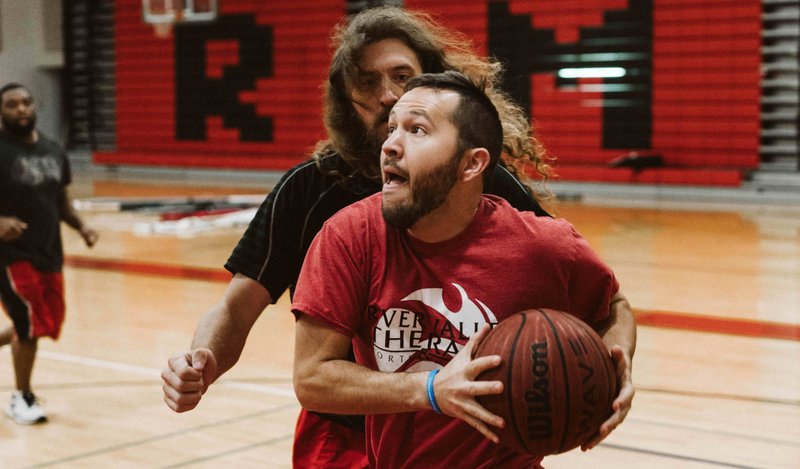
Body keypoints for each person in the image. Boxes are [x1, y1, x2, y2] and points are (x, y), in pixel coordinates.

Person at [161, 6, 634, 468]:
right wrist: (202, 362)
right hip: (348, 421)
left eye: (402, 77)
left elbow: (585, 286)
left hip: (469, 429)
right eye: (367, 82)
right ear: (347, 98)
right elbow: (236, 307)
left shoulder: (489, 188)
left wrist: (605, 370)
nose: (387, 94)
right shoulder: (312, 192)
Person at [292, 71, 635, 468]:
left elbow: (614, 306)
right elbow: (313, 378)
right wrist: (432, 390)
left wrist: (617, 359)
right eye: (391, 129)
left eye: (417, 130)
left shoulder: (542, 246)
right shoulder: (349, 236)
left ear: (471, 164)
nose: (390, 146)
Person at [0, 82, 98, 424]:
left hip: (48, 252)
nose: (21, 109)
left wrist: (81, 226)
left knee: (46, 321)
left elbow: (60, 201)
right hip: (9, 254)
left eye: (26, 102)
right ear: (2, 112)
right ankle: (22, 398)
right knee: (29, 322)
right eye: (12, 104)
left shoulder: (54, 150)